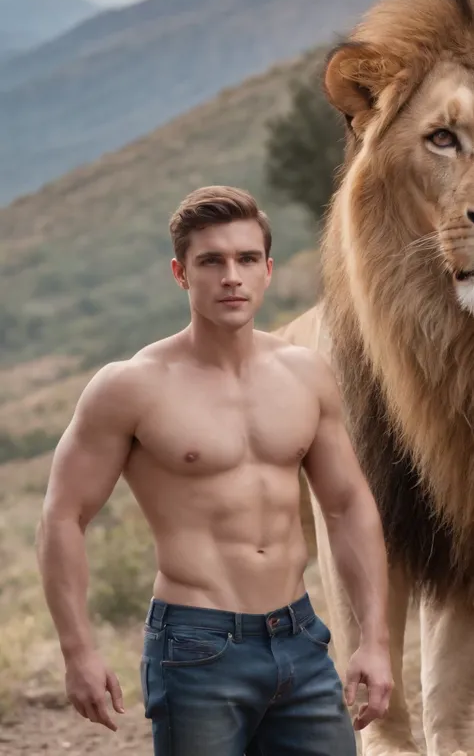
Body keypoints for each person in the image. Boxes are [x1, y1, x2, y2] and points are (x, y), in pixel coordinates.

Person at [36, 185, 393, 756]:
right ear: (181, 273)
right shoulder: (130, 387)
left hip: (300, 638)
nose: (232, 276)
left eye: (247, 259)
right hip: (196, 648)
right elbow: (64, 516)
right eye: (212, 261)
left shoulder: (305, 375)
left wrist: (375, 640)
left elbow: (348, 504)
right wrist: (78, 650)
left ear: (268, 270)